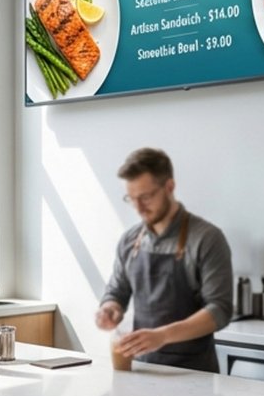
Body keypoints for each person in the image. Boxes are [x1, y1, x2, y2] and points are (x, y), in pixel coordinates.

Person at [97, 148, 234, 372]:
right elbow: (117, 291)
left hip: (194, 374)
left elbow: (220, 310)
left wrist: (164, 335)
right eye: (131, 199)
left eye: (146, 197)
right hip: (142, 370)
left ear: (169, 187)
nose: (139, 208)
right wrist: (110, 308)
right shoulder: (130, 240)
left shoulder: (207, 239)